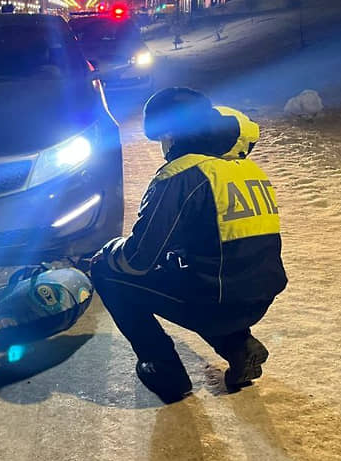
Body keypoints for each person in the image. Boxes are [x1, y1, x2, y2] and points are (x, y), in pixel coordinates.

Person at [90, 87, 287, 403]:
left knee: (106, 272)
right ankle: (238, 347)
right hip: (258, 295)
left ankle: (164, 371)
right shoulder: (245, 169)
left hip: (217, 300)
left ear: (170, 133)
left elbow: (139, 260)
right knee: (198, 274)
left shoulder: (181, 175)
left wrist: (109, 251)